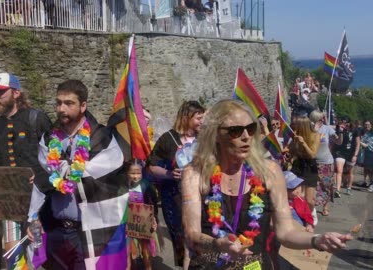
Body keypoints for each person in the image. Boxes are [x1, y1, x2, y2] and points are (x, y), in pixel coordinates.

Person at [181, 99, 352, 269]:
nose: (246, 137)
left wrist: (318, 240)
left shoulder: (269, 171)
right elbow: (192, 234)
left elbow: (285, 232)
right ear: (216, 134)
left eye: (250, 129)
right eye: (235, 131)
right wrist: (218, 244)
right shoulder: (195, 173)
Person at [33, 79, 128, 270]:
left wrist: (69, 170)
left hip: (88, 231)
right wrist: (33, 217)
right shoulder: (49, 138)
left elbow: (110, 176)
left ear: (83, 105)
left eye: (69, 103)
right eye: (59, 103)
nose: (61, 109)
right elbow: (44, 177)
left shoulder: (101, 137)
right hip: (56, 229)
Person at [0, 72, 53, 269]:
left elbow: (56, 158)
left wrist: (41, 177)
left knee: (38, 257)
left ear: (16, 93)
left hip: (37, 202)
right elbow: (2, 161)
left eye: (0, 93)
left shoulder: (37, 118)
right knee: (12, 257)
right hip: (10, 202)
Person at [148, 100, 205, 268]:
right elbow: (151, 166)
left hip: (204, 197)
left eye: (203, 118)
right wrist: (168, 173)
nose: (202, 122)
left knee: (203, 235)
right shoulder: (169, 139)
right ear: (186, 118)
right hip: (174, 199)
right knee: (180, 237)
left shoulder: (204, 139)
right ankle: (184, 266)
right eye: (198, 118)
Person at [125, 159, 159, 270]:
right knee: (128, 254)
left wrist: (154, 219)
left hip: (143, 224)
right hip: (128, 224)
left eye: (138, 173)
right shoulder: (123, 188)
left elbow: (153, 204)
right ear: (127, 173)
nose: (135, 176)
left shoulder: (146, 186)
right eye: (132, 173)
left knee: (146, 253)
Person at [308, 110, 340, 217]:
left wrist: (339, 134)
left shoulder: (326, 128)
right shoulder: (309, 129)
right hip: (313, 162)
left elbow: (338, 141)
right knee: (313, 185)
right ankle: (311, 206)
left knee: (327, 185)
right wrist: (314, 130)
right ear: (313, 119)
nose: (321, 120)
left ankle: (326, 206)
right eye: (319, 119)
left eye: (322, 118)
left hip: (326, 162)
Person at [288, 116, 320, 220]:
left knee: (309, 199)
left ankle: (312, 212)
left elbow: (313, 155)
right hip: (298, 165)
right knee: (297, 196)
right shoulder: (295, 135)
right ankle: (302, 218)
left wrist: (303, 143)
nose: (293, 127)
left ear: (302, 126)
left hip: (310, 167)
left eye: (295, 125)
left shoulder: (315, 135)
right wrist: (290, 154)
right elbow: (292, 151)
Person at [332, 117, 360, 195]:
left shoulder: (355, 130)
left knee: (350, 172)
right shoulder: (338, 129)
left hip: (351, 153)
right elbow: (334, 140)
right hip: (340, 152)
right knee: (339, 170)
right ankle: (337, 189)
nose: (345, 125)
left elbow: (358, 144)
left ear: (349, 123)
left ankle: (349, 187)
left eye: (346, 123)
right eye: (343, 123)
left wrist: (355, 155)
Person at [360, 120, 373, 192]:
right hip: (368, 154)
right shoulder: (367, 133)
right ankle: (371, 183)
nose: (367, 126)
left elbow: (365, 144)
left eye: (368, 124)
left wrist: (359, 141)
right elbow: (363, 141)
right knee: (369, 170)